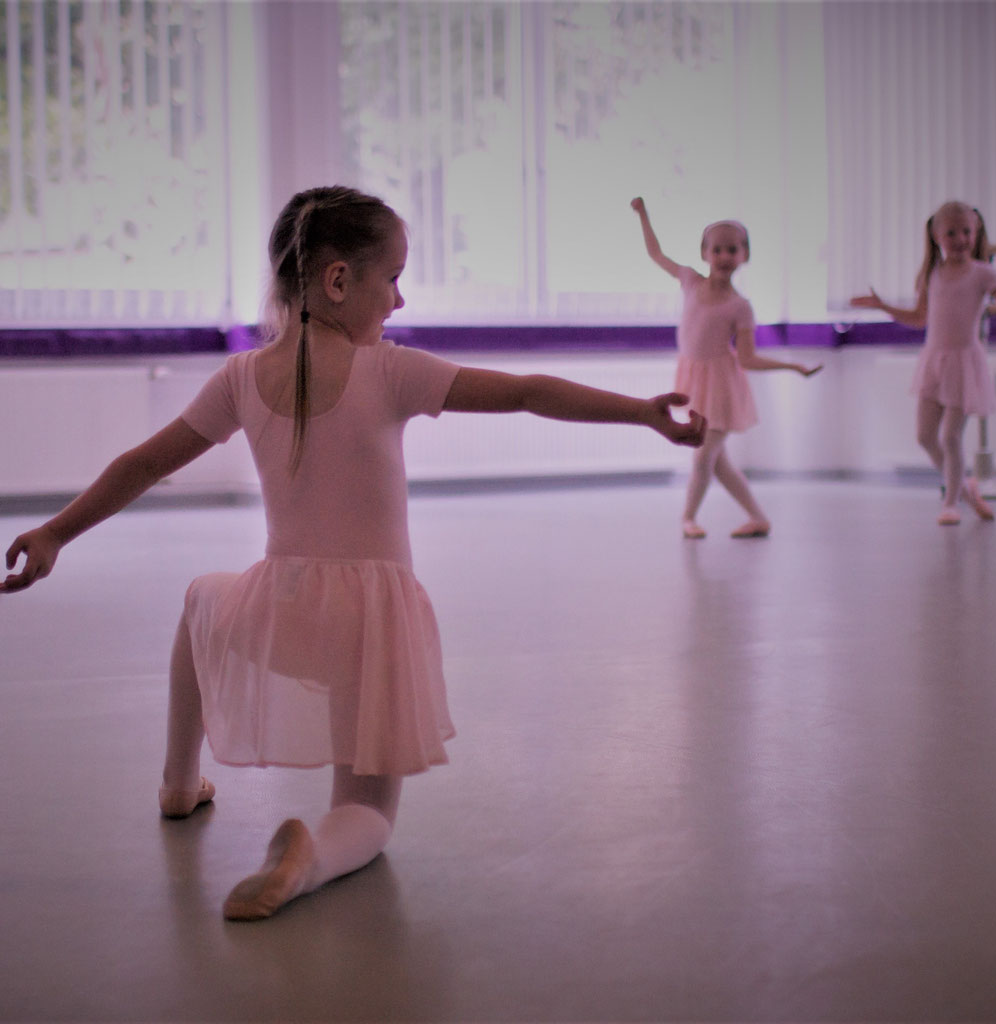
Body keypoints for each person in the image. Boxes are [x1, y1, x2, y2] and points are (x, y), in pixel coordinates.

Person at [1, 186, 706, 922]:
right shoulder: (389, 370)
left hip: (284, 615)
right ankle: (313, 856)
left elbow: (143, 464)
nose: (398, 301)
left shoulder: (241, 377)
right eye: (392, 278)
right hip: (374, 632)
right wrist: (640, 413)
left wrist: (54, 532)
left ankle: (179, 784)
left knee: (200, 603)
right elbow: (528, 392)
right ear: (338, 281)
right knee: (368, 816)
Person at [630, 197, 821, 539]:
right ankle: (758, 518)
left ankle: (688, 518)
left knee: (703, 458)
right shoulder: (689, 280)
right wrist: (643, 214)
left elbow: (748, 358)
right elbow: (656, 254)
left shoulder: (740, 307)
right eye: (716, 250)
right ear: (704, 253)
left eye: (732, 250)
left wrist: (792, 367)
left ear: (744, 255)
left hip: (721, 386)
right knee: (719, 463)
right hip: (692, 379)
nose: (723, 256)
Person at [850, 200, 996, 525]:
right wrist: (884, 306)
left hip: (965, 363)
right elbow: (920, 319)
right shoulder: (932, 275)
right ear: (937, 237)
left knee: (951, 437)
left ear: (976, 233)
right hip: (934, 360)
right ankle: (966, 490)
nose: (961, 238)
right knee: (924, 437)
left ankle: (951, 503)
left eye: (967, 231)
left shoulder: (984, 273)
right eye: (952, 232)